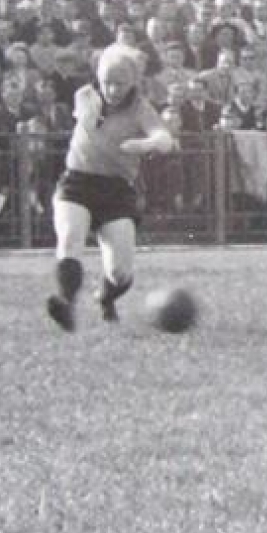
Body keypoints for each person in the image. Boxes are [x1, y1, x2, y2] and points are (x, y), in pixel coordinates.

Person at [44, 45, 177, 333]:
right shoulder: (84, 95)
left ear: (134, 82)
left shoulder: (141, 108)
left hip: (116, 190)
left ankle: (105, 298)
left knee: (120, 273)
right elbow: (90, 121)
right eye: (107, 82)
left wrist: (147, 144)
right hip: (77, 181)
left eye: (120, 83)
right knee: (69, 239)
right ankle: (66, 304)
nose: (113, 90)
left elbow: (165, 139)